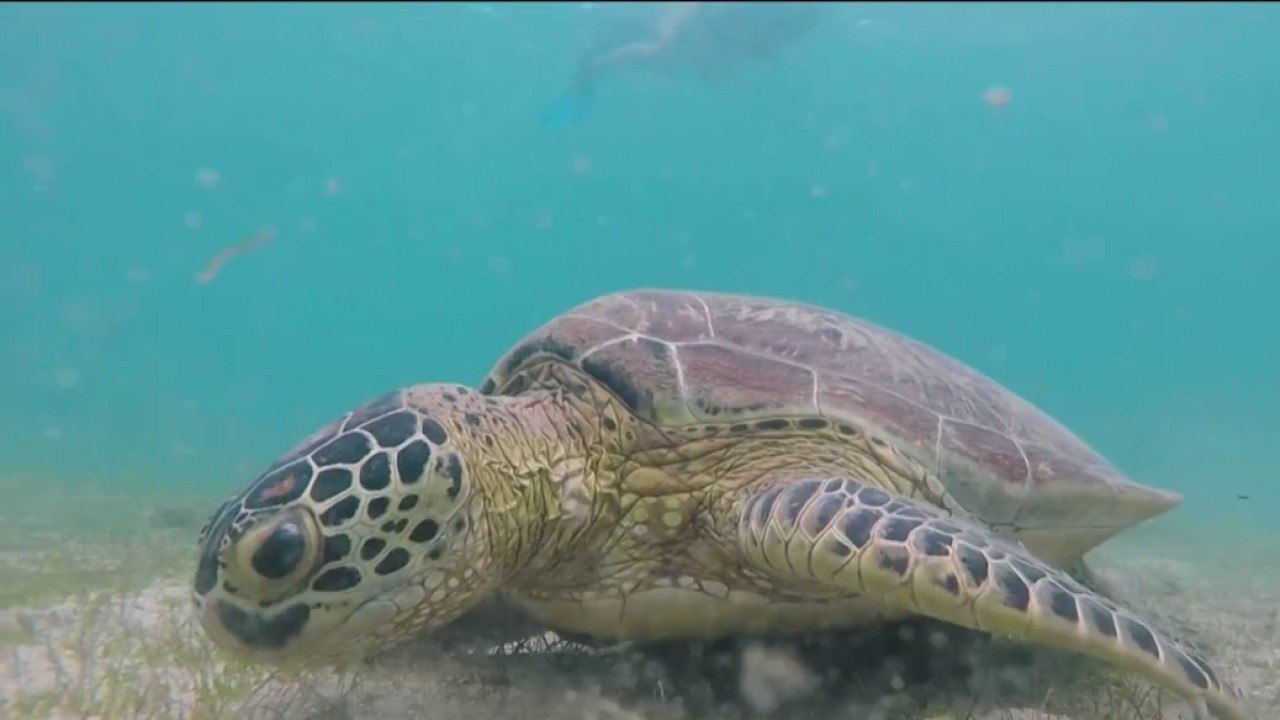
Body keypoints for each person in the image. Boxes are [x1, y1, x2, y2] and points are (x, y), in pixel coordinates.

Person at [540, 2, 825, 131]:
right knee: (660, 57)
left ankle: (592, 74)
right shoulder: (692, 43)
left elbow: (795, 27)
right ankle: (588, 78)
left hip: (729, 33)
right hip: (717, 28)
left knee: (666, 58)